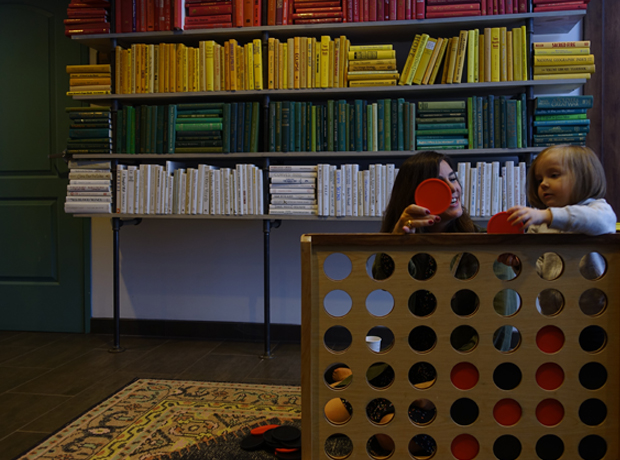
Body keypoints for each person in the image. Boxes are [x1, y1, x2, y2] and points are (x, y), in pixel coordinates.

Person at [506, 144, 616, 281]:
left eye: (553, 175)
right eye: (540, 179)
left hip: (595, 299)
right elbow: (538, 269)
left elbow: (595, 220)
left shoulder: (599, 208)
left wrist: (548, 216)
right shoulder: (539, 224)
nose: (543, 184)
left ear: (583, 177)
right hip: (553, 299)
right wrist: (519, 262)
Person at [373, 151, 479, 282]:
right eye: (439, 184)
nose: (452, 188)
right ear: (418, 194)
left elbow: (501, 300)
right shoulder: (406, 237)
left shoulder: (484, 240)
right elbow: (382, 279)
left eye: (452, 179)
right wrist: (396, 244)